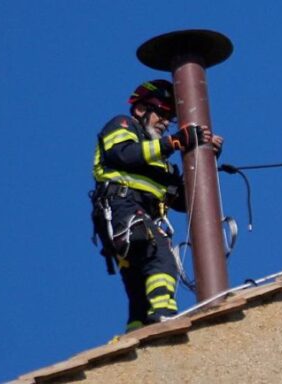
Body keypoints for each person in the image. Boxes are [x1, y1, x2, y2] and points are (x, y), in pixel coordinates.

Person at [91, 79, 223, 332]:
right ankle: (164, 315)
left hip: (132, 218)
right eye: (162, 112)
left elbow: (186, 201)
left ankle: (138, 331)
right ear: (141, 109)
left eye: (170, 116)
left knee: (139, 283)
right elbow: (123, 154)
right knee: (159, 255)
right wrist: (173, 143)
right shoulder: (123, 124)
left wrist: (208, 157)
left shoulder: (161, 164)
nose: (165, 121)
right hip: (122, 206)